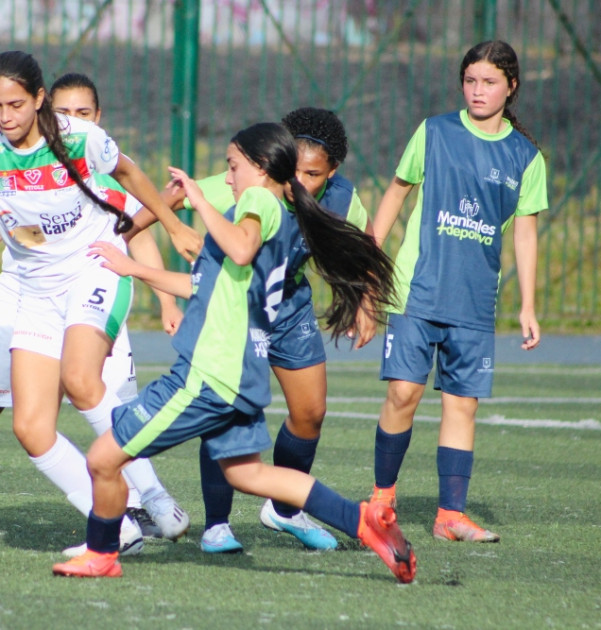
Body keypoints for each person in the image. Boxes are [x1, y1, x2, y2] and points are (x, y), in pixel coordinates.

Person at [52, 122, 416, 583]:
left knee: (103, 458)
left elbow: (240, 251)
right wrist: (132, 268)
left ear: (261, 169)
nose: (227, 178)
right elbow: (202, 284)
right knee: (249, 475)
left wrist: (198, 203)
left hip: (206, 375)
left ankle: (101, 554)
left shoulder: (258, 201)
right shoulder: (281, 217)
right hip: (241, 374)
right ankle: (362, 520)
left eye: (233, 166)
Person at [0, 52, 201, 553]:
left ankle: (146, 498)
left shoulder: (78, 137)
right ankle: (120, 529)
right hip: (33, 289)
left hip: (93, 269)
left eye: (16, 105)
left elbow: (131, 174)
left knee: (83, 380)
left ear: (40, 99)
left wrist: (174, 226)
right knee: (29, 427)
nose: (5, 116)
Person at [159, 108, 375, 554]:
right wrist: (162, 225)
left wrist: (366, 302)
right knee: (224, 409)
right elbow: (168, 201)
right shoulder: (249, 180)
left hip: (290, 307)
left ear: (332, 173)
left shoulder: (340, 197)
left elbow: (366, 242)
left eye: (313, 174)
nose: (299, 180)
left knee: (310, 412)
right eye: (293, 169)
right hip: (238, 309)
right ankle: (216, 524)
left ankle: (284, 510)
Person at [367, 40, 546, 543]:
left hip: (473, 301)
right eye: (470, 81)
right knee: (403, 392)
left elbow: (525, 233)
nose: (477, 91)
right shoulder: (433, 132)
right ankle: (382, 499)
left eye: (489, 82)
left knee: (462, 405)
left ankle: (451, 515)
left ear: (511, 87)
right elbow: (396, 193)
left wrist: (528, 304)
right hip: (416, 292)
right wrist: (367, 264)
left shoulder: (526, 157)